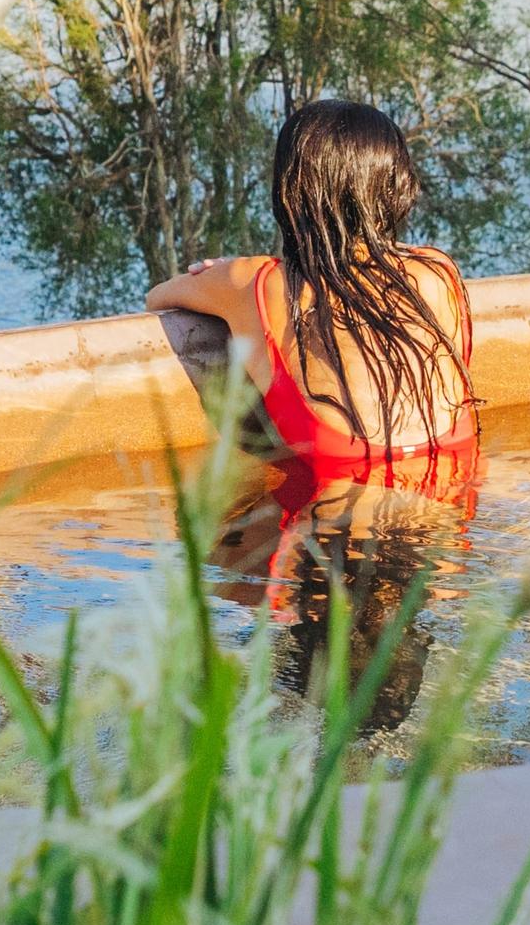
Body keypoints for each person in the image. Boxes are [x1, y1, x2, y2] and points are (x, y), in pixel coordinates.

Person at [148, 101, 482, 726]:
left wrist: (217, 278)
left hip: (330, 522)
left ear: (288, 192)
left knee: (213, 567)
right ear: (398, 188)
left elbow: (160, 296)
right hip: (443, 519)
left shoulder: (261, 283)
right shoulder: (440, 275)